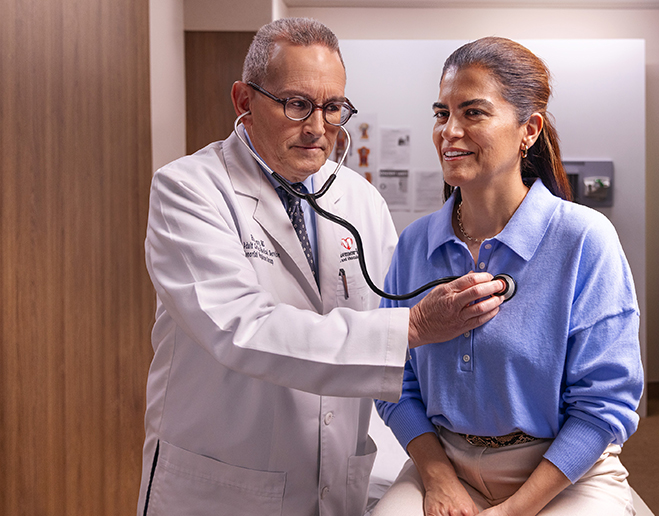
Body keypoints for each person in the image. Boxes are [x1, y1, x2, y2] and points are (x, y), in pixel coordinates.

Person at [137, 19, 506, 516]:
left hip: (333, 478)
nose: (317, 127)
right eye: (296, 103)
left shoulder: (358, 199)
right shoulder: (189, 190)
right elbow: (242, 330)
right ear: (244, 101)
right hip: (223, 483)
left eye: (333, 107)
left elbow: (388, 335)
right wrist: (416, 324)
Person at [374, 37, 644, 516]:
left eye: (473, 113)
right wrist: (438, 479)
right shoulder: (416, 244)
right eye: (441, 114)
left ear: (529, 131)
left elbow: (605, 404)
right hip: (446, 461)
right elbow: (393, 382)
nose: (449, 131)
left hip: (563, 471)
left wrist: (512, 511)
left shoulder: (584, 239)